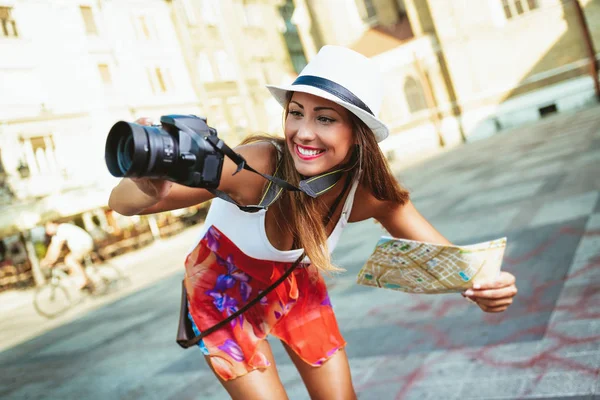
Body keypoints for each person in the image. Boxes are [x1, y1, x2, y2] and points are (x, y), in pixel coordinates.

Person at [108, 45, 518, 400]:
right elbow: (125, 203)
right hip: (221, 295)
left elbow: (452, 263)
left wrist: (484, 286)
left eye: (324, 118)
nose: (303, 132)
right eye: (296, 113)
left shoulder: (365, 191)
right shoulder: (259, 164)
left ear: (358, 134)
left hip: (296, 288)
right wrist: (149, 185)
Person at [40, 221, 95, 291]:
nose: (46, 230)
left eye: (47, 227)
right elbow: (52, 248)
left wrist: (49, 260)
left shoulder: (62, 229)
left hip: (84, 245)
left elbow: (57, 248)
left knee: (70, 260)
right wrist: (47, 259)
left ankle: (85, 280)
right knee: (71, 268)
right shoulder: (57, 233)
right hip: (80, 247)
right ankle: (89, 284)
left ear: (54, 224)